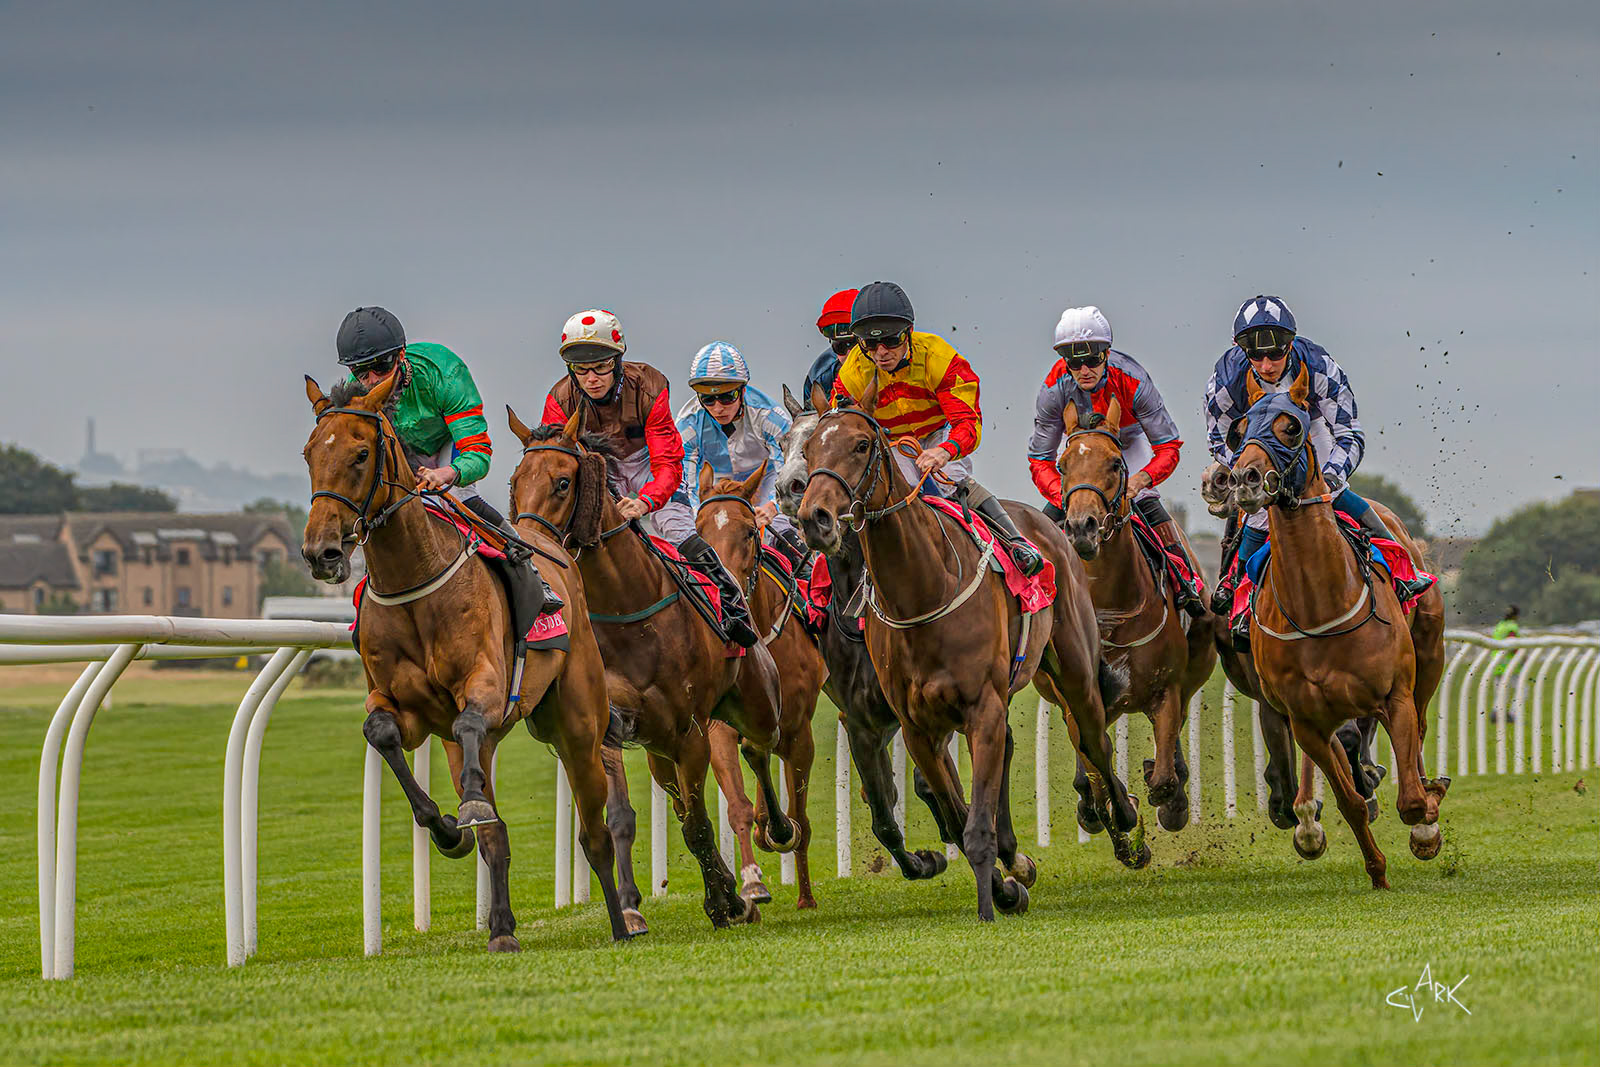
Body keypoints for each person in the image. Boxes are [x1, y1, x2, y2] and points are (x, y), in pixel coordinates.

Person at [1203, 295, 1436, 620]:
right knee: (1256, 512)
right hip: (1255, 443)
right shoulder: (1225, 381)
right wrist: (1247, 472)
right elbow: (1219, 440)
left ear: (1291, 342)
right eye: (1256, 355)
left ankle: (1403, 570)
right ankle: (1236, 588)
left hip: (1307, 431)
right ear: (1240, 348)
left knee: (1333, 493)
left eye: (1275, 353)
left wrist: (1328, 478)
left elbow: (1349, 433)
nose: (1267, 365)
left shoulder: (1318, 365)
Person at [539, 310, 759, 647]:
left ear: (617, 361)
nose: (592, 378)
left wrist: (646, 501)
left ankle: (732, 605)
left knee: (676, 528)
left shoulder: (649, 385)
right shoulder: (558, 399)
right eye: (581, 370)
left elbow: (668, 464)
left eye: (600, 367)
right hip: (600, 473)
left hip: (649, 468)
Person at [335, 306, 560, 608]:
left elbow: (477, 455)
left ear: (401, 355)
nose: (374, 379)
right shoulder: (358, 395)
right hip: (402, 452)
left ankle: (528, 569)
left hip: (447, 443)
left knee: (459, 493)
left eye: (382, 366)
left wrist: (446, 473)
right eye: (362, 372)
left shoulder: (445, 374)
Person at [831, 281, 1043, 576]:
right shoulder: (852, 371)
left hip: (938, 432)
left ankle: (1016, 543)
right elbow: (841, 428)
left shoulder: (939, 358)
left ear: (908, 334)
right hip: (892, 442)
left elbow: (967, 422)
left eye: (891, 341)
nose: (881, 353)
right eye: (870, 343)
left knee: (948, 480)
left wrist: (944, 451)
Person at [1027, 306, 1204, 615]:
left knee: (1147, 499)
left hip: (1127, 441)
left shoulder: (1134, 380)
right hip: (1081, 452)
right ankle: (1030, 584)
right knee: (1047, 520)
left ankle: (1185, 579)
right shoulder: (1053, 389)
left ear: (1106, 354)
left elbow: (1168, 447)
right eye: (1074, 362)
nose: (1084, 371)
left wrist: (1141, 480)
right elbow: (1041, 459)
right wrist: (1066, 495)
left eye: (1093, 359)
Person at [655, 341, 808, 567]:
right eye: (708, 399)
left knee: (784, 531)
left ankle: (809, 586)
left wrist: (773, 507)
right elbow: (684, 483)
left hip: (766, 484)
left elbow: (788, 469)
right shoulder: (687, 423)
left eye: (727, 397)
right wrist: (701, 515)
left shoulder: (770, 416)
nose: (718, 408)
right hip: (714, 490)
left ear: (743, 390)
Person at [800, 288, 859, 409]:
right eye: (840, 347)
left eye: (854, 345)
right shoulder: (819, 377)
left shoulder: (889, 357)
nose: (849, 354)